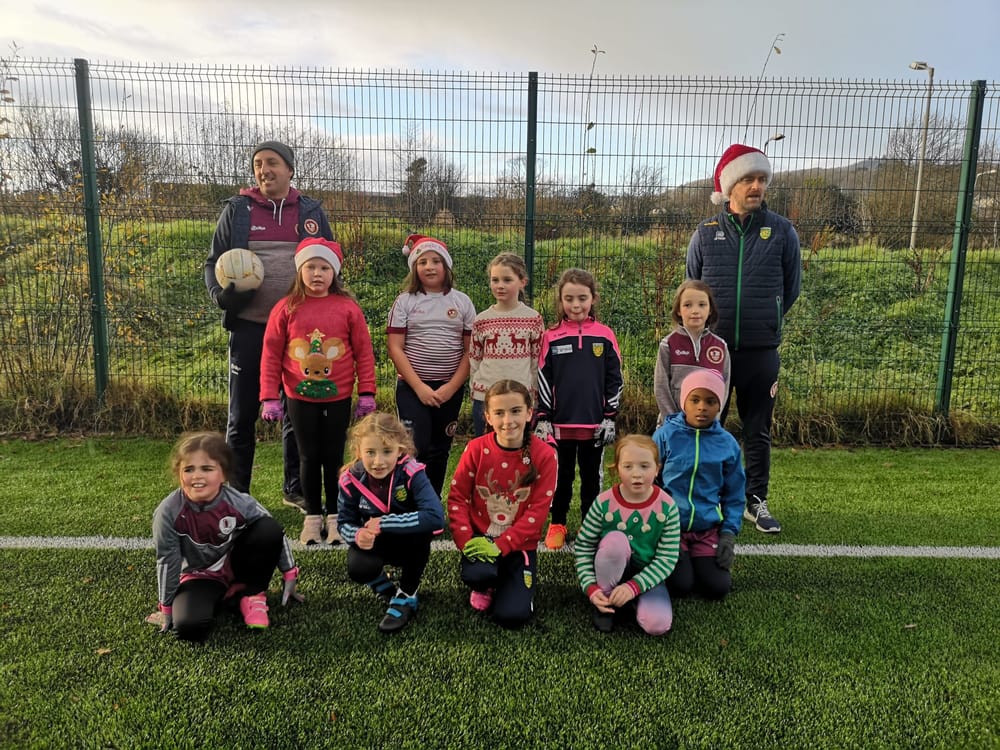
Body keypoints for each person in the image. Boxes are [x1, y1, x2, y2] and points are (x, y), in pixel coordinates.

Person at [204, 140, 334, 506]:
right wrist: (220, 295)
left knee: (299, 411)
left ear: (290, 169)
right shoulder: (237, 209)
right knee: (241, 415)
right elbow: (211, 262)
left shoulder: (310, 211)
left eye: (272, 163)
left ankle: (295, 488)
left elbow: (329, 261)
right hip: (250, 328)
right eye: (258, 164)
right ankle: (237, 493)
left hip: (299, 334)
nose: (264, 170)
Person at [686, 143, 800, 534]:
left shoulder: (783, 232)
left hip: (761, 351)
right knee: (704, 423)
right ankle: (704, 499)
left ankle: (756, 500)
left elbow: (791, 288)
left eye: (762, 179)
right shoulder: (705, 234)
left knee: (757, 429)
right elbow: (692, 290)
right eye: (748, 179)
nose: (756, 186)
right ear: (730, 186)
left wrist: (764, 319)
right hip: (713, 351)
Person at [259, 238, 377, 545]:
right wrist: (270, 396)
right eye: (310, 267)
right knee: (308, 456)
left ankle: (337, 517)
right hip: (299, 398)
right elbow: (271, 354)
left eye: (324, 267)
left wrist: (366, 392)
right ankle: (313, 517)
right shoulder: (286, 308)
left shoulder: (348, 308)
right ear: (300, 271)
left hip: (338, 397)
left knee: (334, 456)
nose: (317, 274)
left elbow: (364, 352)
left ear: (334, 273)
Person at [149, 431, 301, 642]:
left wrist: (289, 572)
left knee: (267, 528)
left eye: (207, 468)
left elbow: (276, 532)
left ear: (224, 474)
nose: (197, 476)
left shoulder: (239, 501)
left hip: (235, 568)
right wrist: (166, 606)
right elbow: (167, 560)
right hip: (199, 576)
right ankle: (223, 599)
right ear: (179, 474)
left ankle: (249, 593)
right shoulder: (168, 512)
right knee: (189, 629)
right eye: (189, 469)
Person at [447, 380, 557, 628]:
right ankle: (485, 583)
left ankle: (514, 584)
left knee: (512, 616)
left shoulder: (544, 455)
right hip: (482, 539)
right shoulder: (476, 449)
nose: (508, 421)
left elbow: (537, 513)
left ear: (529, 413)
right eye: (499, 413)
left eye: (516, 411)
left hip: (520, 546)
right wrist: (467, 541)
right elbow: (457, 498)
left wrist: (502, 546)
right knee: (477, 573)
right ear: (487, 416)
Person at [534, 268, 623, 550]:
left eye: (582, 298)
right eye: (569, 299)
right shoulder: (551, 337)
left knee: (590, 479)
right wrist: (543, 417)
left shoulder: (605, 336)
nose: (575, 305)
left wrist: (609, 417)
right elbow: (543, 379)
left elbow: (615, 379)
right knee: (561, 478)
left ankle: (589, 524)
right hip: (560, 425)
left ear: (593, 298)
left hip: (594, 425)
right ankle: (557, 522)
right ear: (560, 301)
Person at [336, 413, 444, 634]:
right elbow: (344, 522)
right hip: (377, 544)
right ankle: (382, 584)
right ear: (359, 452)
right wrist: (357, 535)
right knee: (359, 567)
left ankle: (406, 594)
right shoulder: (350, 479)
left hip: (408, 543)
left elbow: (435, 516)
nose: (378, 462)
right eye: (370, 453)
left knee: (422, 532)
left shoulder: (412, 472)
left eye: (387, 452)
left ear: (400, 449)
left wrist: (384, 523)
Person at [387, 234, 476, 495]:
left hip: (450, 388)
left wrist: (451, 387)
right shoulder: (405, 301)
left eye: (436, 261)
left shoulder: (462, 302)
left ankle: (432, 503)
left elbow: (470, 351)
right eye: (422, 261)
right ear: (414, 268)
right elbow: (395, 348)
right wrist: (419, 387)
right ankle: (411, 502)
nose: (429, 266)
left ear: (446, 267)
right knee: (416, 447)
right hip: (413, 388)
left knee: (440, 449)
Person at [653, 370, 745, 601]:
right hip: (672, 530)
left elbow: (734, 494)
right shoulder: (665, 436)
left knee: (717, 588)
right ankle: (675, 557)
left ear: (720, 405)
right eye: (695, 400)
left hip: (707, 530)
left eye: (710, 401)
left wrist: (728, 534)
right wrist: (657, 526)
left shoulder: (727, 444)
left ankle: (700, 556)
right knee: (681, 586)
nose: (702, 407)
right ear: (684, 401)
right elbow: (649, 484)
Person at [574, 434, 680, 634]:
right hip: (610, 570)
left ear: (657, 469)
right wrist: (591, 587)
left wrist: (633, 587)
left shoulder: (668, 507)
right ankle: (606, 603)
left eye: (644, 466)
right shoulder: (603, 502)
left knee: (657, 625)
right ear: (617, 469)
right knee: (615, 541)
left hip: (647, 576)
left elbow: (666, 558)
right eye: (628, 466)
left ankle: (631, 598)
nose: (636, 474)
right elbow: (584, 547)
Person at [468, 252, 544, 436]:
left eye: (507, 280)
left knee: (520, 452)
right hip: (485, 397)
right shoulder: (482, 320)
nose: (500, 286)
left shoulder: (533, 319)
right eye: (495, 280)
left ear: (522, 282)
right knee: (486, 451)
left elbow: (536, 361)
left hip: (520, 398)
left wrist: (533, 395)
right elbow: (474, 359)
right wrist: (476, 388)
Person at [653, 279, 730, 421]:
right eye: (688, 305)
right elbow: (661, 386)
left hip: (706, 426)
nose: (695, 311)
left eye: (702, 305)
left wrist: (713, 418)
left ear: (710, 309)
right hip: (673, 426)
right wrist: (672, 420)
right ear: (678, 310)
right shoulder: (668, 344)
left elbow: (723, 387)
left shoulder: (720, 347)